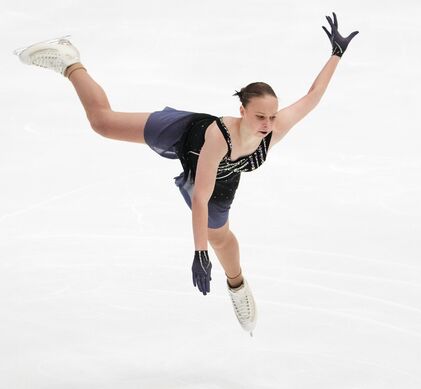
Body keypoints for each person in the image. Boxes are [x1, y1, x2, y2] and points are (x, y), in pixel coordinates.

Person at [14, 12, 358, 336]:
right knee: (102, 122)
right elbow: (199, 197)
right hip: (186, 135)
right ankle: (69, 58)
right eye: (259, 117)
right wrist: (198, 253)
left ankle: (237, 286)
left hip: (226, 176)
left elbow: (312, 97)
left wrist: (336, 54)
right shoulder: (218, 138)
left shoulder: (275, 129)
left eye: (271, 116)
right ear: (242, 111)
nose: (268, 124)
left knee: (220, 236)